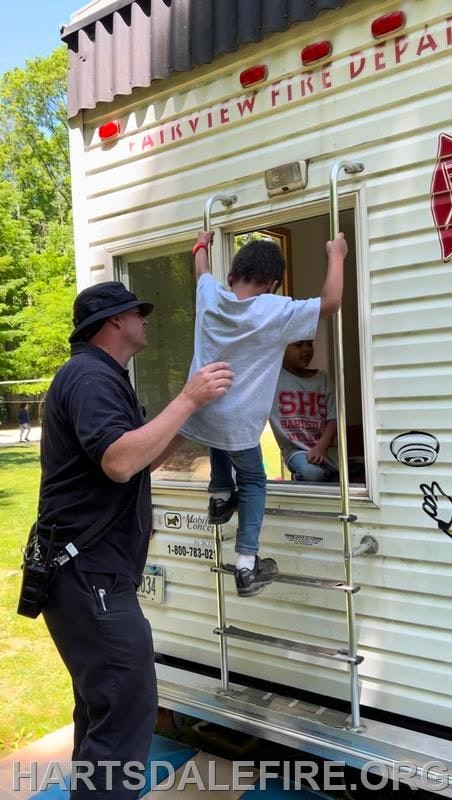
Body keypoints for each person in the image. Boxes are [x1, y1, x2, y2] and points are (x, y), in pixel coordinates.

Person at [37, 281, 232, 799]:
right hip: (90, 578)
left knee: (105, 711)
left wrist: (196, 417)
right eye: (136, 313)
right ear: (112, 323)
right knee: (126, 709)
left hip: (91, 575)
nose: (145, 320)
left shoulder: (103, 377)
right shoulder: (88, 378)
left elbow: (138, 454)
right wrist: (187, 397)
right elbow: (120, 460)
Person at [180, 231, 347, 597]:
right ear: (273, 284)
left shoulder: (210, 295)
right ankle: (246, 566)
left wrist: (201, 242)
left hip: (201, 411)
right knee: (254, 480)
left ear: (231, 278)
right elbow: (331, 301)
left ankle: (220, 497)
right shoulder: (276, 310)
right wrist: (336, 254)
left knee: (217, 437)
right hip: (238, 424)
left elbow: (201, 269)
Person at [270, 340, 338, 482]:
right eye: (299, 344)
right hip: (296, 451)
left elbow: (333, 419)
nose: (306, 349)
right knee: (311, 474)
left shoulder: (322, 379)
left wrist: (320, 447)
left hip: (325, 449)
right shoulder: (273, 379)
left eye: (310, 344)